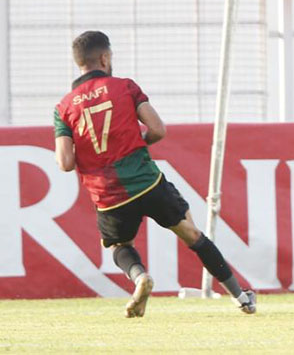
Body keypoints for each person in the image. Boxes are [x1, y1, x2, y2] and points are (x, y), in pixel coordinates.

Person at [53, 31, 256, 317]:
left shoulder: (63, 108)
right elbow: (158, 129)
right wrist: (135, 144)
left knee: (120, 245)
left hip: (108, 194)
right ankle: (241, 297)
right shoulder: (124, 86)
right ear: (104, 57)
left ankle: (140, 278)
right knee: (192, 234)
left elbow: (64, 162)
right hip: (146, 182)